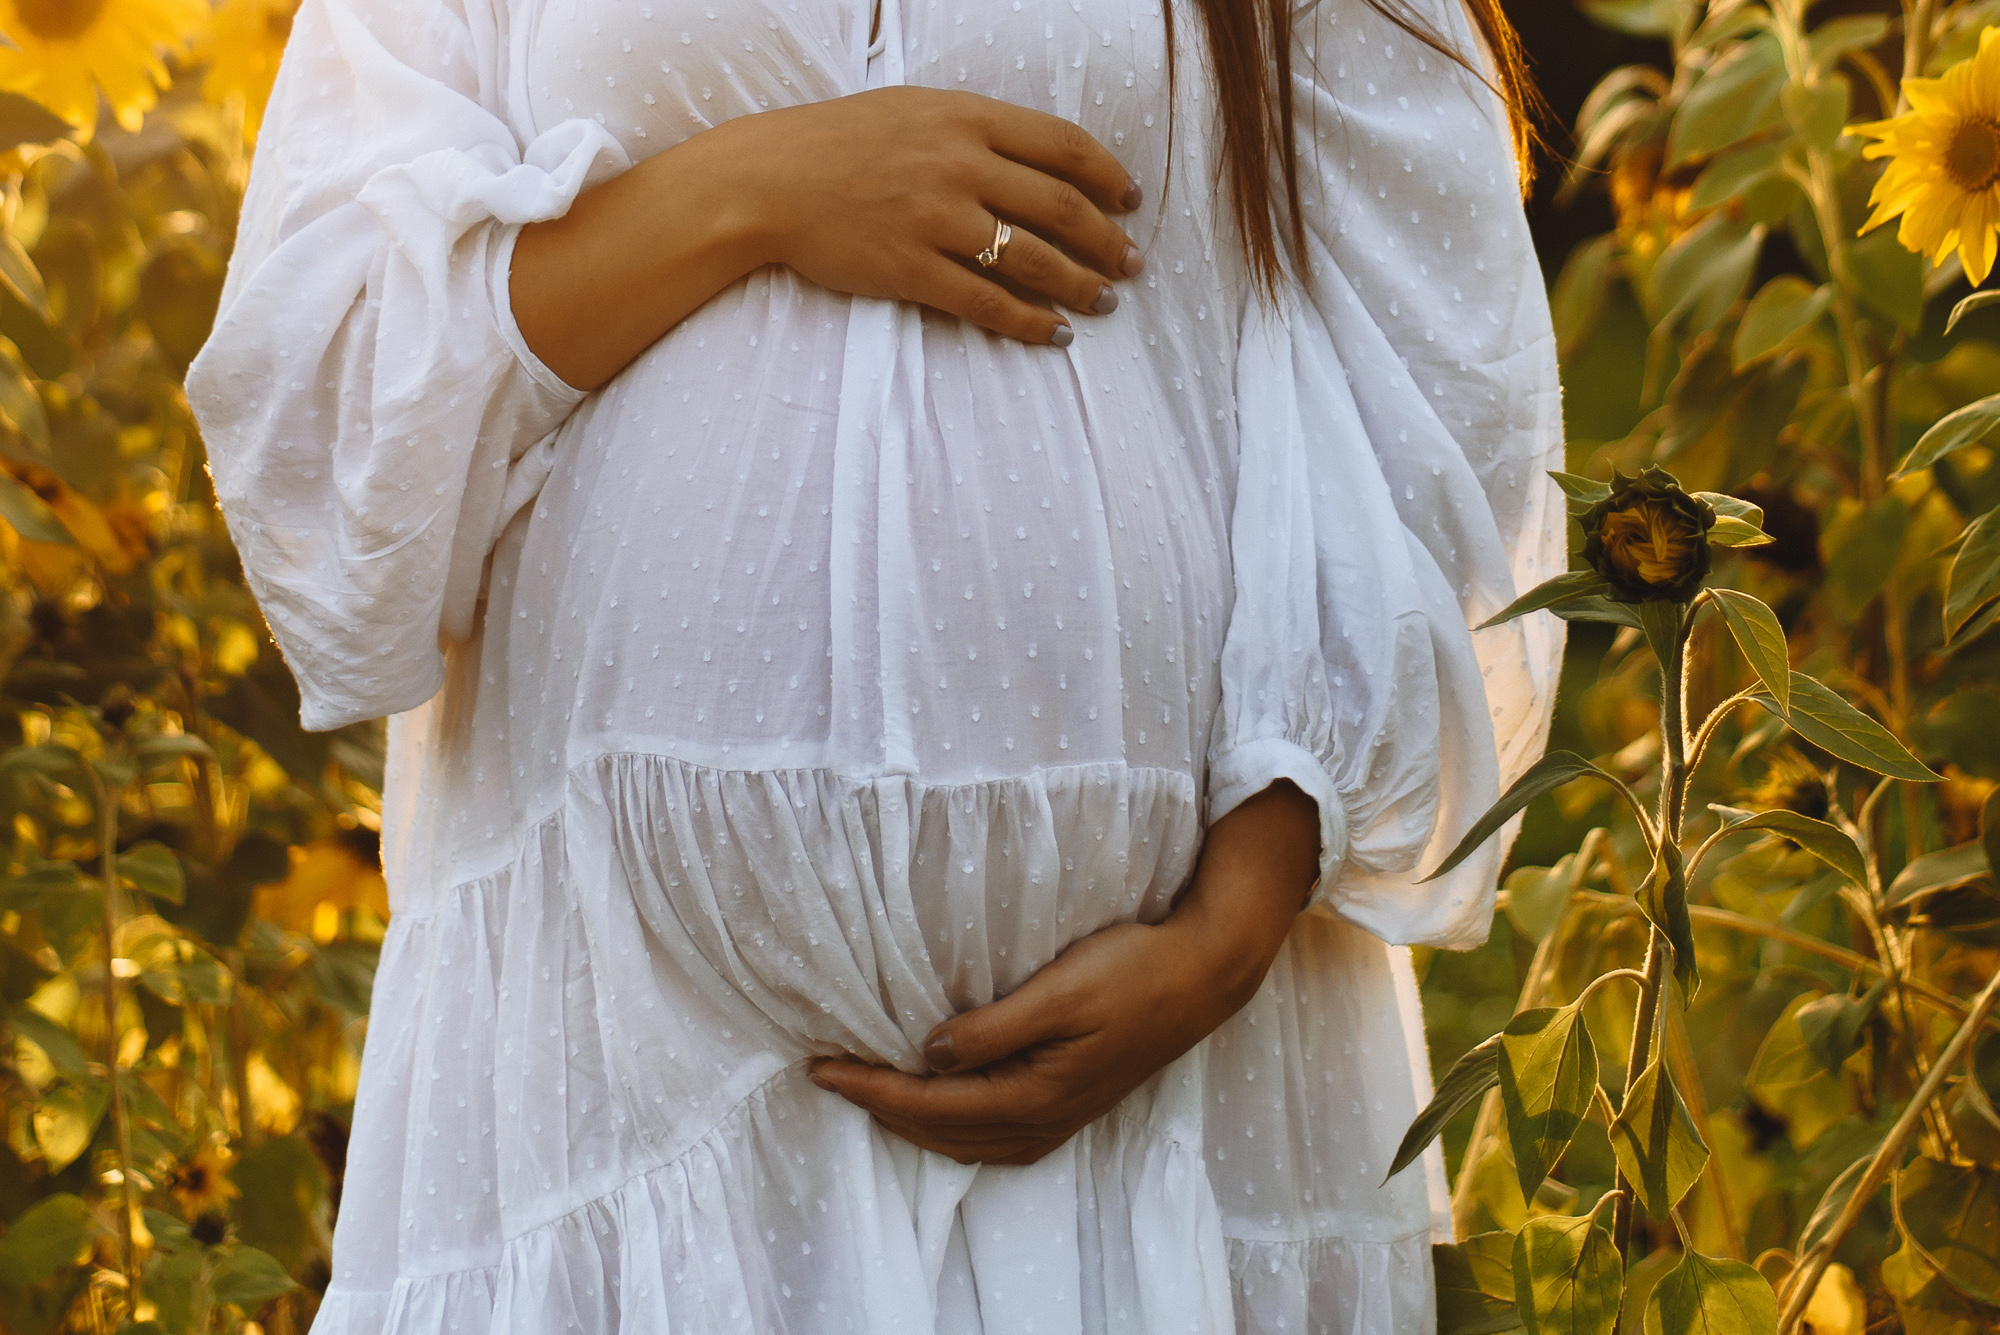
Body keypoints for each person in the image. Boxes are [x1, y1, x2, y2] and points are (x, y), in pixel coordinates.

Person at [187, 0, 1565, 1328]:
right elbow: (334, 399)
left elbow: (1436, 378)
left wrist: (1235, 921)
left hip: (1175, 1090)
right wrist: (757, 190)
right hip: (619, 1078)